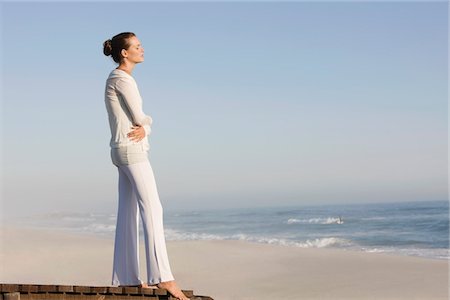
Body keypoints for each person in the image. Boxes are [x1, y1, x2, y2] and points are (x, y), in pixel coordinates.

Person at [103, 32, 189, 300]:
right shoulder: (123, 79)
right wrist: (149, 125)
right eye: (137, 46)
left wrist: (144, 128)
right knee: (152, 208)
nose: (142, 49)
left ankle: (128, 277)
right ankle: (163, 277)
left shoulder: (115, 79)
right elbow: (141, 118)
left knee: (128, 211)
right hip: (132, 151)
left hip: (121, 150)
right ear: (124, 53)